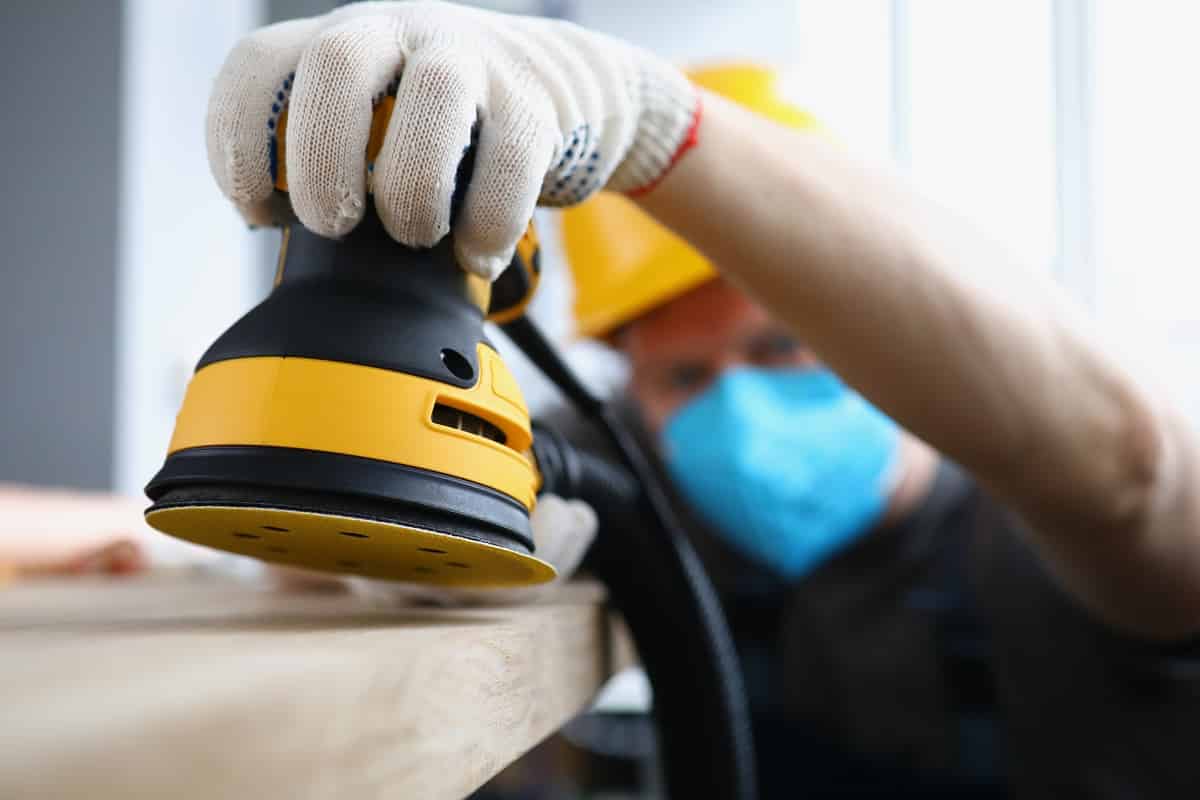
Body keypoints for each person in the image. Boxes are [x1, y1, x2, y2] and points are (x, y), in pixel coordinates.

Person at [204, 3, 1200, 797]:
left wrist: (650, 123)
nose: (741, 404)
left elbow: (1131, 465)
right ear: (629, 382)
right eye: (684, 374)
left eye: (780, 343)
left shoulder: (1039, 530)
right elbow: (301, 509)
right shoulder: (636, 478)